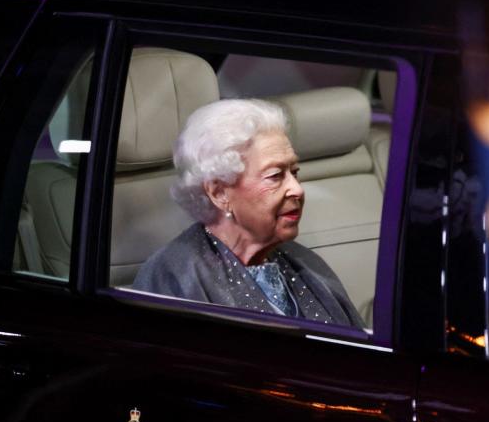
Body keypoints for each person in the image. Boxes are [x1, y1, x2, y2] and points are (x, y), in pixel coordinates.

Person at [133, 99, 364, 328]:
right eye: (275, 176)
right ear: (219, 192)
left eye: (295, 172)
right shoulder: (174, 276)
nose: (297, 189)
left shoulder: (305, 262)